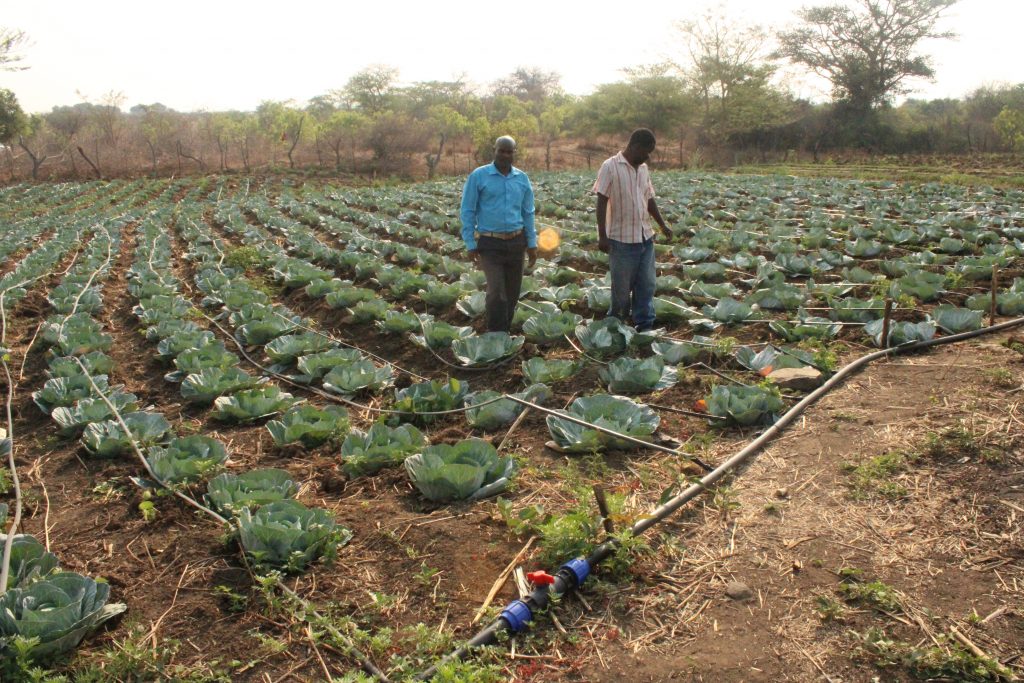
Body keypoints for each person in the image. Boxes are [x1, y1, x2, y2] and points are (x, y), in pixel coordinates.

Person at [592, 128, 673, 332]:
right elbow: (601, 201)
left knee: (646, 285)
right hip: (621, 241)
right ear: (635, 146)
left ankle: (644, 325)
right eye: (646, 151)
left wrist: (662, 224)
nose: (648, 156)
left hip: (645, 237)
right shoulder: (610, 166)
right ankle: (616, 326)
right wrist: (602, 236)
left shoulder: (643, 169)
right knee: (620, 291)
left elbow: (649, 198)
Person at [460, 136, 538, 333]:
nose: (505, 155)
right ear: (494, 150)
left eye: (509, 151)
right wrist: (470, 242)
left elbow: (528, 212)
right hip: (490, 242)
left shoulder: (521, 178)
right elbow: (468, 210)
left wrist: (532, 243)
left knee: (512, 294)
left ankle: (504, 332)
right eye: (501, 150)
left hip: (516, 242)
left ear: (514, 153)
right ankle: (495, 334)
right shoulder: (479, 176)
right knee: (496, 293)